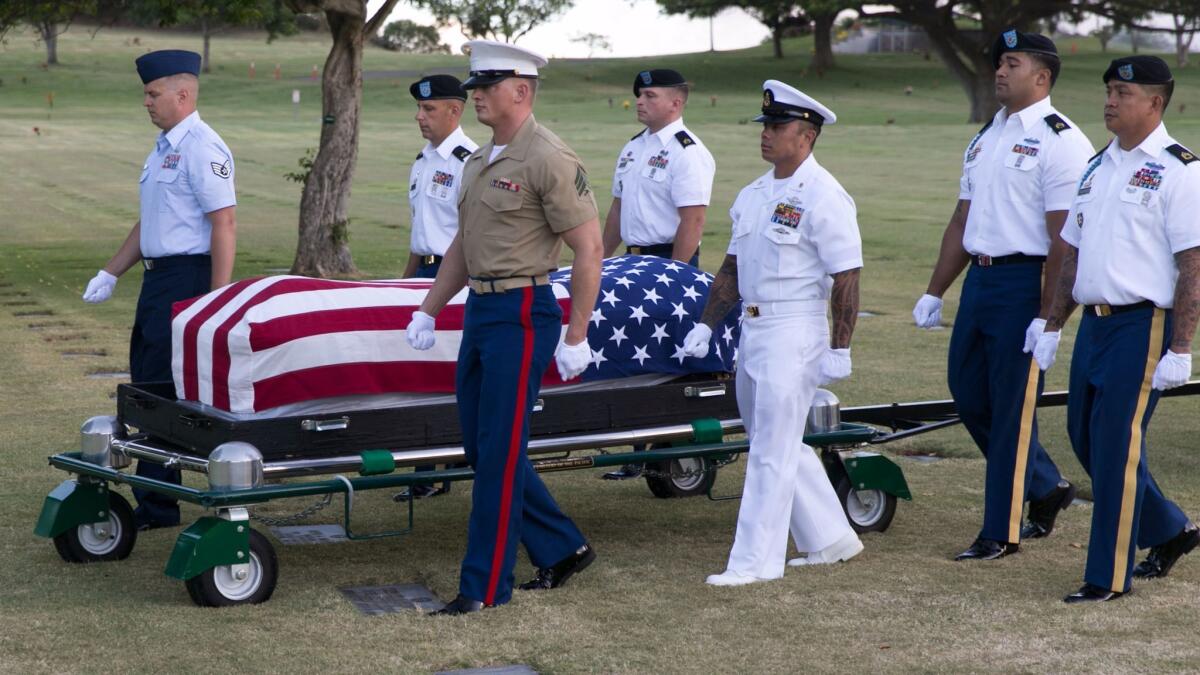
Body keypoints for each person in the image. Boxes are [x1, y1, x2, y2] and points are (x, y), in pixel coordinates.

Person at [405, 40, 602, 615]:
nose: (477, 98)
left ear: (521, 90)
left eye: (486, 88)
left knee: (498, 454)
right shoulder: (480, 160)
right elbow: (464, 244)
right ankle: (562, 546)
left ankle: (484, 589)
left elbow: (588, 249)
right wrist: (430, 308)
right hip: (482, 313)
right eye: (475, 88)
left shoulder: (549, 158)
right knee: (482, 446)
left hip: (522, 312)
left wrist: (577, 334)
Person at [911, 29, 1093, 561]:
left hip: (1024, 283)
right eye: (998, 63)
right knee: (968, 394)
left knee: (1013, 411)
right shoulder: (987, 135)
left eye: (1011, 63)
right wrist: (934, 291)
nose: (999, 70)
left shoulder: (1061, 140)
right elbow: (963, 216)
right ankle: (1043, 485)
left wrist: (1049, 317)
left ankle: (1000, 531)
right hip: (981, 282)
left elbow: (1065, 240)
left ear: (1042, 76)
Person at [682, 80, 863, 586]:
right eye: (765, 125)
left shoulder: (825, 195)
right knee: (771, 437)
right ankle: (830, 537)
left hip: (795, 328)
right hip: (754, 328)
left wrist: (839, 346)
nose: (767, 135)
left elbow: (846, 276)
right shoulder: (755, 193)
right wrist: (705, 324)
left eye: (778, 126)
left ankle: (754, 564)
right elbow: (732, 268)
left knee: (769, 451)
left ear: (806, 135)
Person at [1034, 55, 1200, 603]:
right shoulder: (1096, 165)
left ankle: (1107, 576)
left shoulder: (1182, 170)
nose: (1109, 100)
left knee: (1113, 446)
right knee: (1085, 437)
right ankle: (1169, 528)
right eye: (1108, 90)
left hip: (1142, 327)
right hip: (1094, 328)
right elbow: (1073, 254)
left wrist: (1181, 347)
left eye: (1122, 94)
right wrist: (1053, 324)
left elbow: (1193, 265)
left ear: (1155, 103)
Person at [82, 49, 237, 531]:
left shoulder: (202, 146)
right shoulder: (166, 145)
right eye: (146, 94)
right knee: (149, 383)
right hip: (158, 278)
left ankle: (158, 505)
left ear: (182, 94)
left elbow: (224, 225)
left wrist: (215, 300)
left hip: (186, 278)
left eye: (153, 93)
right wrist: (111, 272)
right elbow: (151, 222)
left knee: (159, 391)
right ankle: (155, 498)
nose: (146, 102)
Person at [600, 68, 716, 481]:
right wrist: (597, 259)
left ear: (676, 102)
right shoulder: (633, 147)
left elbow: (694, 220)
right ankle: (634, 450)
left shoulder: (688, 151)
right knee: (633, 354)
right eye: (639, 95)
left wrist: (675, 277)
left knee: (664, 360)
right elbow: (618, 211)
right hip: (632, 265)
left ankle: (665, 451)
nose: (640, 101)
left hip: (668, 265)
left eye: (649, 95)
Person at [395, 74, 478, 502]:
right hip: (421, 278)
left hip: (455, 279)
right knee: (418, 373)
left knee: (445, 375)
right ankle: (423, 467)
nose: (420, 117)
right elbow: (419, 232)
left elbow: (471, 235)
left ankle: (438, 468)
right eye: (419, 109)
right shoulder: (424, 160)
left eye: (429, 109)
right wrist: (404, 284)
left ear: (455, 110)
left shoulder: (469, 161)